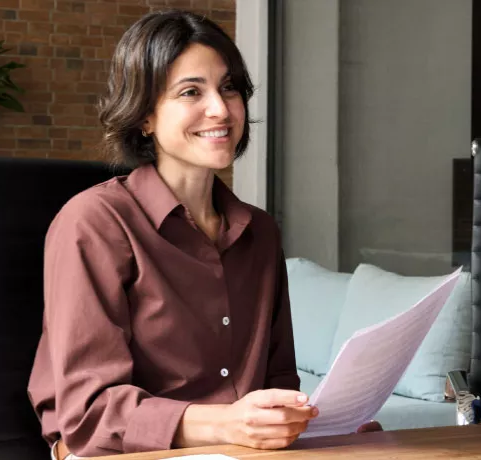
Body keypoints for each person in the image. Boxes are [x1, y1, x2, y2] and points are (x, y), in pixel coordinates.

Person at [28, 11, 317, 458]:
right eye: (190, 92)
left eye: (229, 88)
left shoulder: (260, 232)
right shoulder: (95, 223)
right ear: (145, 116)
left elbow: (278, 378)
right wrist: (227, 423)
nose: (220, 109)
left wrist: (292, 416)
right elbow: (90, 416)